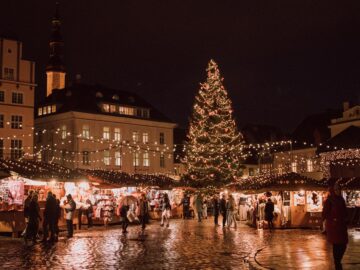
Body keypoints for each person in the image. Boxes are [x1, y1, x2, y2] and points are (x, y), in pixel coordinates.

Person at [322, 183, 348, 270]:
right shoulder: (329, 201)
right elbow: (324, 214)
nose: (338, 191)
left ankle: (338, 261)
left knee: (343, 244)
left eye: (339, 189)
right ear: (333, 190)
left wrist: (345, 218)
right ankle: (337, 262)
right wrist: (333, 219)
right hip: (333, 226)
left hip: (341, 225)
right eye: (336, 189)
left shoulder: (341, 199)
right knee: (336, 244)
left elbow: (344, 211)